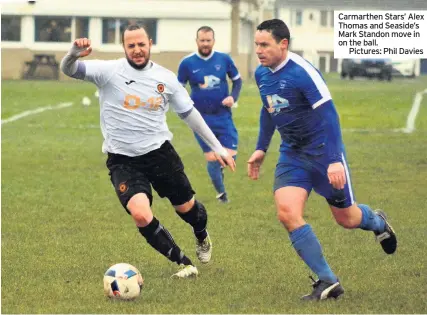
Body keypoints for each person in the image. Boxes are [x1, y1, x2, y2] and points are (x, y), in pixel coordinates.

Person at [60, 24, 236, 278]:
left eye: (141, 44)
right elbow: (70, 69)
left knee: (187, 209)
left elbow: (189, 114)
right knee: (141, 215)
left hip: (160, 155)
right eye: (131, 45)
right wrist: (73, 53)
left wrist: (217, 147)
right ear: (124, 47)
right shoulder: (108, 71)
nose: (137, 50)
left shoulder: (165, 78)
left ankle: (201, 234)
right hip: (123, 161)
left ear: (150, 43)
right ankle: (184, 263)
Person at [247, 19, 397, 300]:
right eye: (256, 44)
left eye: (264, 44)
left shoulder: (303, 72)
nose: (258, 50)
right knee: (287, 213)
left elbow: (330, 116)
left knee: (348, 219)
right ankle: (328, 281)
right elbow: (269, 109)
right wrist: (261, 148)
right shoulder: (262, 74)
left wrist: (334, 161)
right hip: (292, 154)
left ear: (283, 44)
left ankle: (378, 223)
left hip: (324, 153)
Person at [178, 26, 242, 203]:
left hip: (223, 116)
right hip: (200, 119)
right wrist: (185, 105)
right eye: (202, 40)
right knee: (212, 158)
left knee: (231, 155)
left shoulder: (224, 59)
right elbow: (178, 89)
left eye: (208, 40)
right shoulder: (187, 63)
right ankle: (222, 195)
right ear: (197, 41)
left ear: (213, 41)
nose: (205, 44)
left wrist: (232, 97)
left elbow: (237, 81)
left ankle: (219, 174)